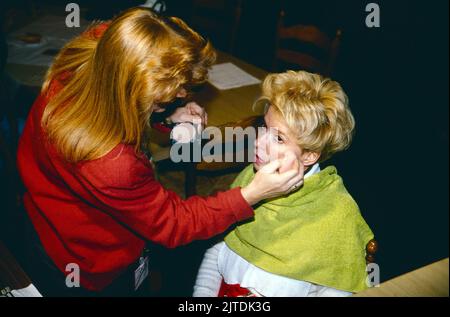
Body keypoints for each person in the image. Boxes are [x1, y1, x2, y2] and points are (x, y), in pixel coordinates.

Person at [16, 8, 303, 296]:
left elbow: (116, 105)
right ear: (135, 93)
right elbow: (174, 223)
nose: (180, 96)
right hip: (88, 262)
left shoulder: (99, 51)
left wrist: (166, 115)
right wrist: (251, 194)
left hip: (42, 221)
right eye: (166, 98)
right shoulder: (112, 164)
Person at [193, 70, 374, 297]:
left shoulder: (337, 214)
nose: (258, 142)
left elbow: (339, 288)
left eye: (279, 138)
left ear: (309, 156)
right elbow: (219, 249)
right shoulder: (250, 178)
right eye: (265, 127)